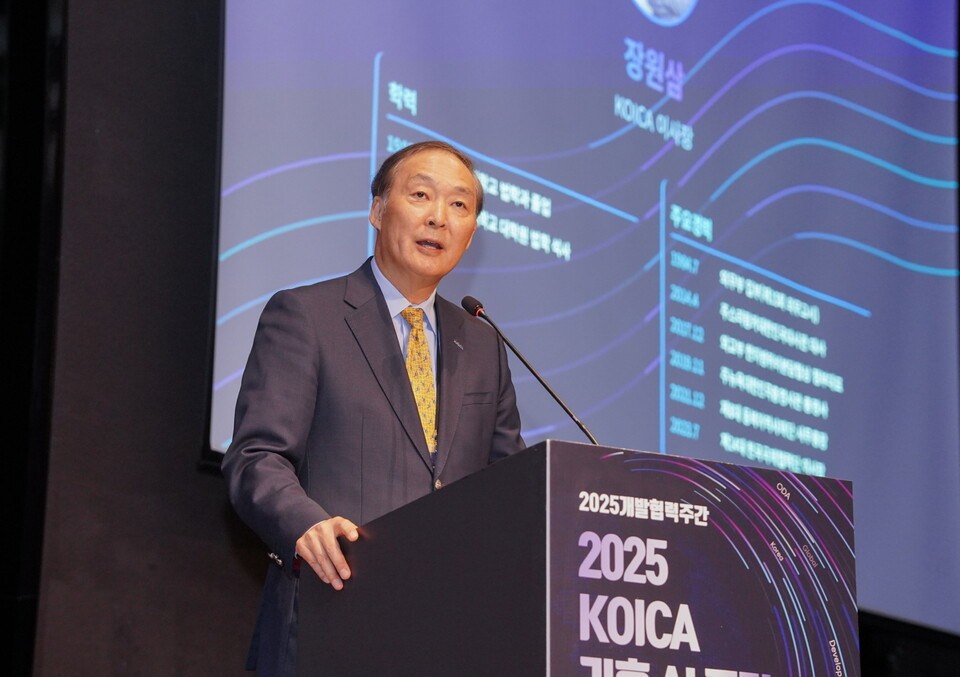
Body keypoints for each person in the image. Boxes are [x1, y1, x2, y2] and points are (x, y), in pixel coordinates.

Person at [222, 140, 526, 676]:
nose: (438, 217)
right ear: (378, 210)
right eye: (420, 195)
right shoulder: (307, 316)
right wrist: (306, 527)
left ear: (472, 232)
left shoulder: (483, 346)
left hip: (451, 639)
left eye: (459, 205)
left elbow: (508, 487)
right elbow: (257, 457)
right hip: (332, 616)